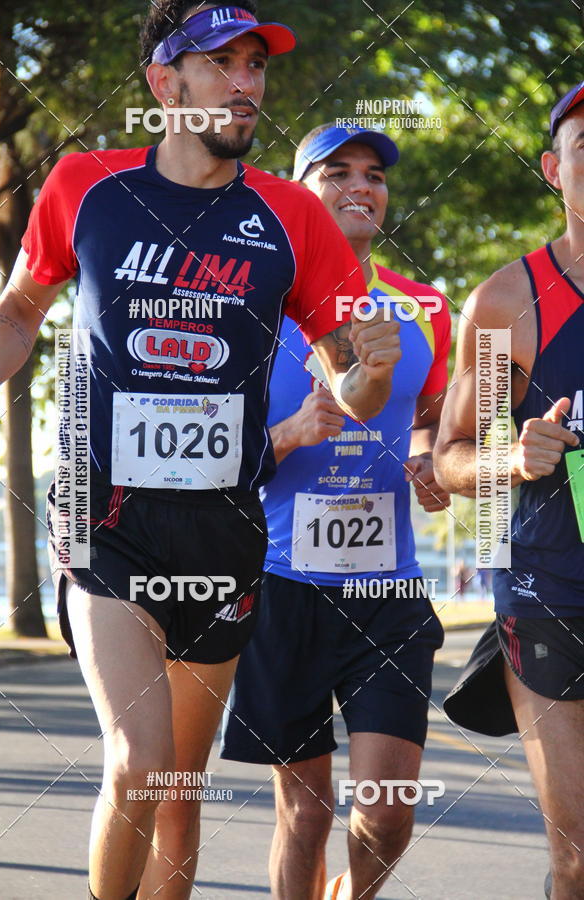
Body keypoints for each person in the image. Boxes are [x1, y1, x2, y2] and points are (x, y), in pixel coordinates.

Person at [0, 5, 404, 899]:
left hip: (222, 527)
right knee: (138, 761)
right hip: (105, 514)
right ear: (164, 83)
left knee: (176, 790)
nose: (246, 83)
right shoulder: (86, 185)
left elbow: (351, 388)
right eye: (222, 63)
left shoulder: (292, 216)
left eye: (256, 65)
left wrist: (370, 371)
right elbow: (19, 312)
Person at [221, 122, 451, 900]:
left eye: (374, 175)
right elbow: (210, 449)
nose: (361, 185)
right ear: (298, 194)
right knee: (306, 811)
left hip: (388, 590)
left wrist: (429, 459)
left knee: (385, 813)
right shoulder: (249, 306)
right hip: (281, 585)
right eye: (337, 172)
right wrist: (288, 434)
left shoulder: (425, 308)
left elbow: (433, 420)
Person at [434, 83, 584, 900]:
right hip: (551, 592)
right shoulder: (508, 304)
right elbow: (452, 457)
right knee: (579, 856)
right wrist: (514, 460)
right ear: (554, 171)